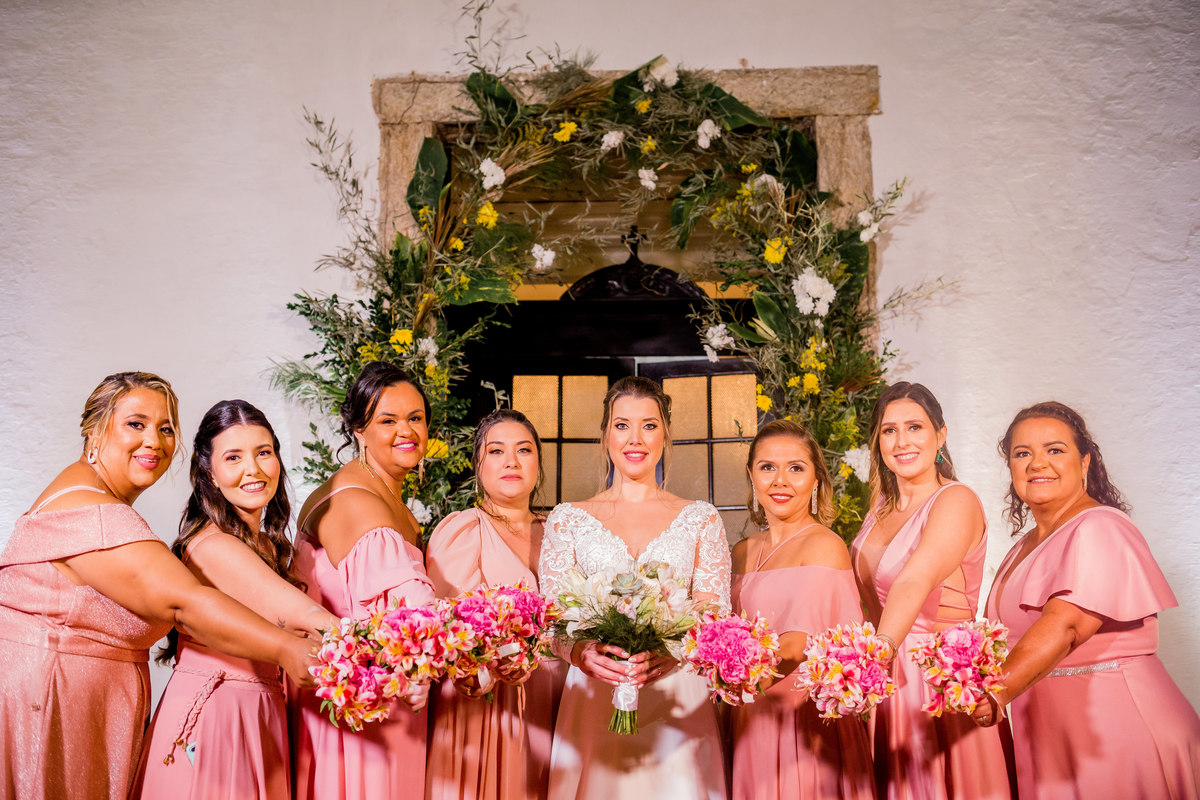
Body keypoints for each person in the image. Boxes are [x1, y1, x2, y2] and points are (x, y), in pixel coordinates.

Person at [0, 372, 316, 800]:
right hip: (50, 706)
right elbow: (186, 604)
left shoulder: (94, 501)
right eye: (136, 424)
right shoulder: (93, 513)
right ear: (95, 430)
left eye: (166, 428)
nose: (155, 441)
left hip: (76, 706)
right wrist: (286, 648)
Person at [970, 401, 1200, 799]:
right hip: (1050, 733)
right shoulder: (1023, 546)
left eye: (1054, 450)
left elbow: (1067, 625)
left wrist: (995, 690)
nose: (1037, 463)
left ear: (1085, 462)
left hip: (1115, 729)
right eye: (1022, 453)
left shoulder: (1100, 526)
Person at [131, 400, 338, 799]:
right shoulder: (211, 546)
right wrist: (398, 644)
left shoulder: (267, 544)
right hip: (218, 714)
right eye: (234, 457)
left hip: (259, 710)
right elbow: (302, 615)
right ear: (209, 470)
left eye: (264, 452)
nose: (254, 470)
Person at [538, 376, 731, 800]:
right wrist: (581, 654)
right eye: (622, 424)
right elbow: (550, 620)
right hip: (593, 696)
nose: (635, 438)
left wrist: (675, 651)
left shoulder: (700, 518)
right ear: (606, 434)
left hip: (677, 698)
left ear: (665, 434)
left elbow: (715, 613)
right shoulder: (568, 519)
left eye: (649, 424)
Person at [849, 382, 1014, 800]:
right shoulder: (879, 508)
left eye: (915, 427)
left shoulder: (955, 500)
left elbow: (913, 580)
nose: (902, 441)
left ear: (940, 435)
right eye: (889, 430)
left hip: (936, 678)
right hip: (885, 673)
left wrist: (876, 653)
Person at [289, 361, 437, 800]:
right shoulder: (360, 506)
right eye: (387, 420)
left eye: (415, 418)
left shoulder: (372, 488)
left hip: (366, 695)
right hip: (370, 707)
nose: (406, 431)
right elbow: (416, 620)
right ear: (359, 429)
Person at [426, 409, 567, 800]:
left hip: (560, 702)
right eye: (497, 451)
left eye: (524, 450)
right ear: (478, 465)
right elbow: (447, 629)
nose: (511, 461)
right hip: (489, 703)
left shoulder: (561, 532)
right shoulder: (463, 530)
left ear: (538, 463)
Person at [730, 420, 875, 800]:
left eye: (796, 468)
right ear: (751, 475)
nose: (780, 481)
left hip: (805, 726)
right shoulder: (742, 551)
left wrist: (727, 687)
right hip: (748, 720)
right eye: (767, 467)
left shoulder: (824, 545)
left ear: (816, 480)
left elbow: (795, 647)